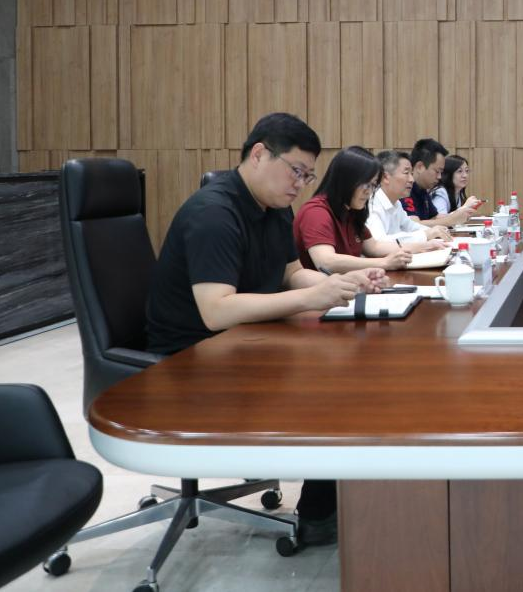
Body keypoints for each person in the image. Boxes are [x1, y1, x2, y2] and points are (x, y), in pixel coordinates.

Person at [144, 113, 389, 546]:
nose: (300, 184)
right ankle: (320, 515)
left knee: (352, 360)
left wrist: (343, 284)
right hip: (191, 355)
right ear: (259, 154)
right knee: (336, 382)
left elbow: (292, 274)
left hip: (241, 337)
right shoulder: (214, 213)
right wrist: (312, 298)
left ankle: (334, 501)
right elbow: (216, 311)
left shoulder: (275, 208)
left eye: (308, 176)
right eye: (296, 171)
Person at [293, 146, 416, 273]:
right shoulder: (316, 212)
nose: (369, 192)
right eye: (366, 184)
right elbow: (326, 262)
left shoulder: (351, 210)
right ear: (347, 180)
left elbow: (374, 247)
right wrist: (384, 263)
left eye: (373, 185)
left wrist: (422, 247)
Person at [366, 150, 452, 250]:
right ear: (385, 177)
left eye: (411, 174)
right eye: (406, 173)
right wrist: (426, 234)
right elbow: (379, 243)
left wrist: (436, 231)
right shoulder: (372, 204)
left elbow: (412, 227)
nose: (412, 180)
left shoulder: (396, 202)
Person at [406, 138, 479, 227]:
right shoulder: (406, 188)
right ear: (420, 167)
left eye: (441, 172)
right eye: (437, 171)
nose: (439, 177)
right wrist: (452, 219)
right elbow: (413, 225)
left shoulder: (422, 189)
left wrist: (461, 214)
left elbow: (435, 217)